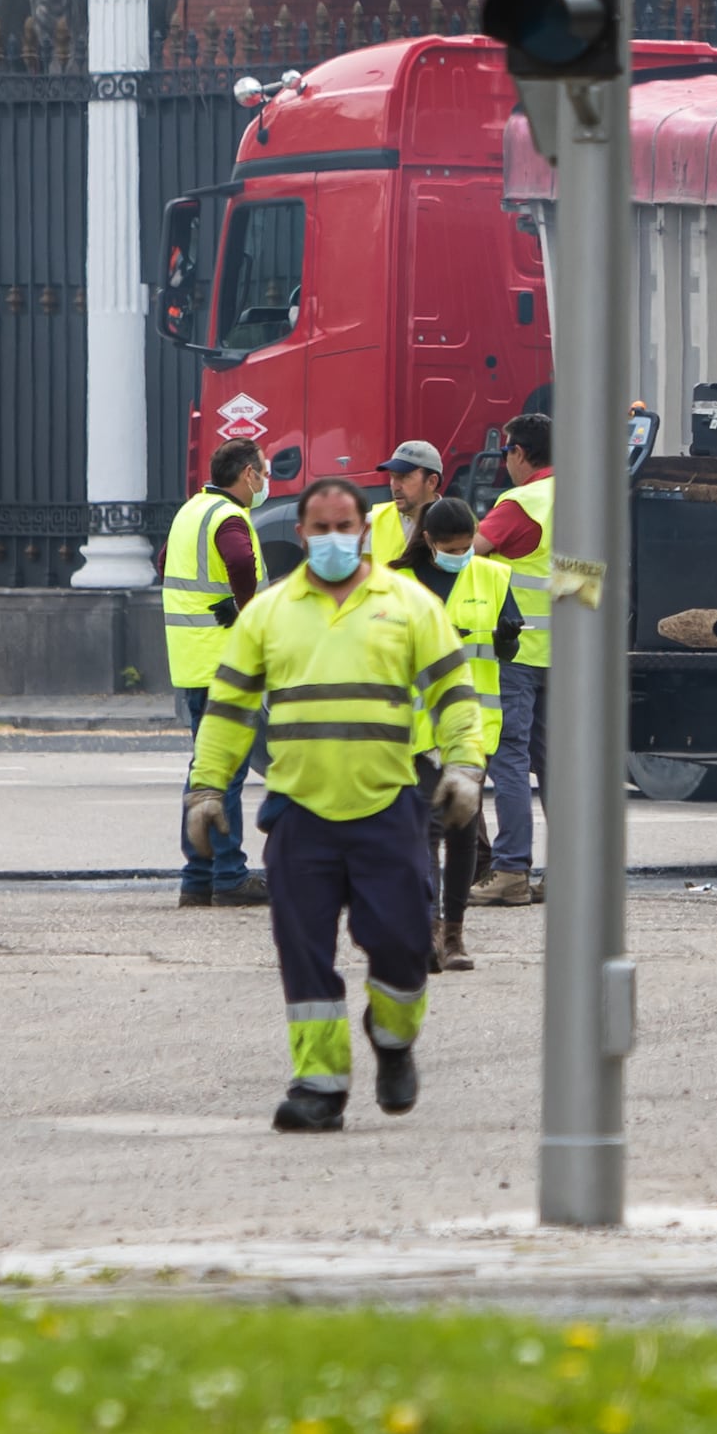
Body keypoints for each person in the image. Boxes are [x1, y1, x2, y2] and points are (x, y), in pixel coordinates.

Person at [181, 477, 483, 1133]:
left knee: (404, 944)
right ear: (302, 536)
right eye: (320, 529)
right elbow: (229, 707)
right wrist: (207, 787)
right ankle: (319, 1086)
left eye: (345, 526)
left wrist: (464, 766)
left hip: (388, 807)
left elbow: (455, 692)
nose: (333, 539)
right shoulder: (269, 613)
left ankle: (394, 1035)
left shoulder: (408, 604)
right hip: (300, 814)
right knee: (304, 950)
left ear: (364, 531)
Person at [157, 439, 270, 906]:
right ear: (247, 474)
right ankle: (228, 875)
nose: (265, 482)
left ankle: (197, 876)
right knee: (226, 771)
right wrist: (246, 611)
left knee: (206, 768)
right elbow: (241, 561)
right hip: (226, 661)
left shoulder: (191, 511)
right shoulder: (227, 517)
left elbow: (162, 562)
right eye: (262, 472)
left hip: (192, 661)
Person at [406, 494, 513, 966]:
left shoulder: (493, 576)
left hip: (472, 725)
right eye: (450, 546)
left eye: (467, 544)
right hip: (418, 726)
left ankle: (454, 935)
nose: (461, 553)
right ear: (428, 541)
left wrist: (508, 636)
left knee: (463, 828)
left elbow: (504, 651)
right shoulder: (399, 583)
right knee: (428, 827)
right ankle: (428, 931)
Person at [467, 405, 558, 903]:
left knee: (508, 759)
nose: (505, 463)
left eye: (506, 452)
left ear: (520, 453)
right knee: (556, 766)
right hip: (566, 655)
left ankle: (510, 871)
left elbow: (468, 553)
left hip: (517, 653)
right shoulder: (580, 499)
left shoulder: (521, 502)